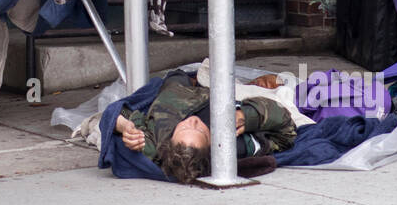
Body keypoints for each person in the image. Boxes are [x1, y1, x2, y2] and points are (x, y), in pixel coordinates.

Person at [112, 69, 295, 184]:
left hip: (175, 89)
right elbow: (286, 129)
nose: (193, 122)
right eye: (201, 131)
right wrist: (246, 117)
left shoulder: (156, 144)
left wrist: (124, 127)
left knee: (175, 75)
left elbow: (120, 113)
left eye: (183, 129)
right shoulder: (234, 143)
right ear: (212, 145)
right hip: (217, 96)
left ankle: (193, 76)